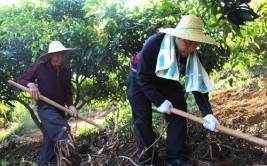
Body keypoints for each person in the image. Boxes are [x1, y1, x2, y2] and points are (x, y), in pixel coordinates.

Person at [127, 15, 220, 166]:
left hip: (167, 79)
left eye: (195, 44)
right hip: (139, 77)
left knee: (179, 110)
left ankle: (175, 157)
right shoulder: (154, 43)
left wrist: (207, 114)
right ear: (177, 36)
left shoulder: (194, 57)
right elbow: (142, 77)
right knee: (142, 119)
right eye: (188, 42)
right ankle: (148, 158)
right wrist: (159, 101)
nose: (191, 48)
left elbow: (198, 87)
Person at [18, 41, 79, 165]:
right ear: (50, 56)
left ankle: (45, 163)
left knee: (50, 141)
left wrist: (71, 105)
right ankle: (75, 161)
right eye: (56, 54)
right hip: (45, 108)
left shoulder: (66, 72)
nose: (59, 57)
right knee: (63, 130)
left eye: (61, 54)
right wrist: (30, 84)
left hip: (60, 110)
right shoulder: (40, 68)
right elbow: (21, 80)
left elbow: (68, 92)